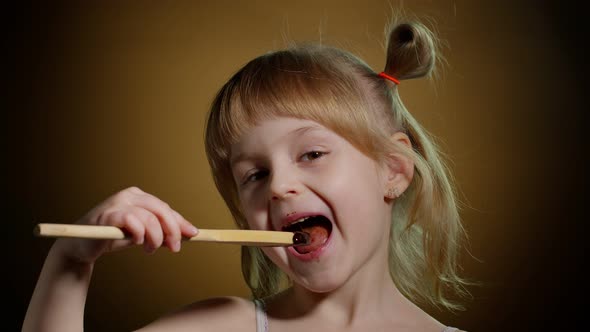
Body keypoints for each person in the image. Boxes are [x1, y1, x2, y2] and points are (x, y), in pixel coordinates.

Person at [23, 17, 471, 332]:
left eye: (312, 153)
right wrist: (70, 261)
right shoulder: (220, 326)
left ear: (393, 171)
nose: (278, 186)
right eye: (254, 175)